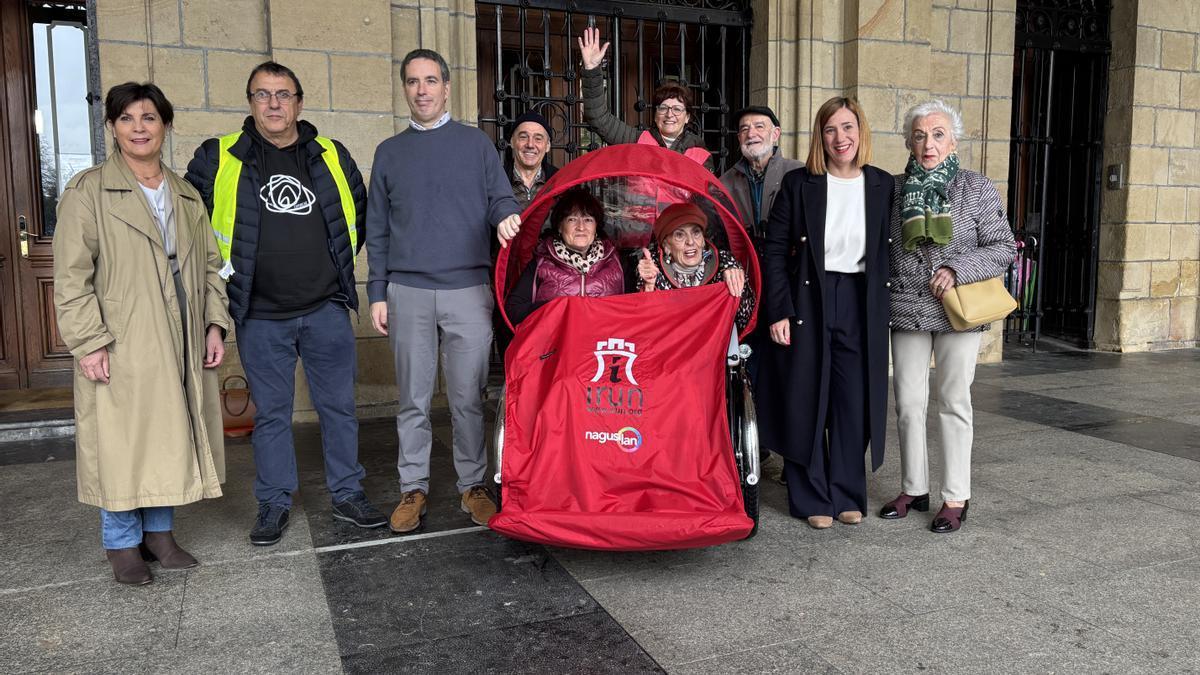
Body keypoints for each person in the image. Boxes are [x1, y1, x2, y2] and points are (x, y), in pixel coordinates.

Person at [185, 62, 385, 547]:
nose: (273, 104)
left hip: (325, 308)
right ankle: (274, 502)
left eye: (283, 94)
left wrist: (329, 270)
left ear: (299, 101)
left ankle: (348, 492)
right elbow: (191, 229)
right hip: (259, 314)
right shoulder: (218, 158)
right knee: (272, 415)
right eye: (262, 94)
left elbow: (356, 216)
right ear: (250, 102)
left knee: (338, 407)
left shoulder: (332, 154)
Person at [53, 82, 231, 585]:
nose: (138, 127)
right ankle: (120, 544)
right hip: (123, 336)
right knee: (122, 440)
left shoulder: (186, 193)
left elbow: (212, 268)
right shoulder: (89, 191)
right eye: (127, 118)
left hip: (181, 331)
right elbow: (71, 276)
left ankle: (159, 534)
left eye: (148, 118)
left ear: (165, 126)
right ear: (111, 127)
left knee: (169, 433)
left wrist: (215, 324)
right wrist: (88, 342)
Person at [367, 48, 522, 533]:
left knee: (468, 397)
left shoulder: (475, 145)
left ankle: (472, 486)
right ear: (405, 89)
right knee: (412, 398)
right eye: (413, 81)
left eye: (431, 80)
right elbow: (377, 228)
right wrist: (377, 291)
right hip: (407, 288)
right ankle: (413, 488)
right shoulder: (389, 152)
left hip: (467, 289)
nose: (422, 90)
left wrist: (505, 216)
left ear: (447, 87)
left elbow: (500, 196)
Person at [880, 99, 1016, 533]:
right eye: (919, 135)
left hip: (958, 310)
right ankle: (914, 488)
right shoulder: (893, 189)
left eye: (938, 135)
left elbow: (1003, 248)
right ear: (908, 141)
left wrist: (957, 269)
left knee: (954, 401)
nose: (928, 144)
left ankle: (955, 496)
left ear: (953, 140)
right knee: (907, 402)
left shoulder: (976, 188)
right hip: (907, 307)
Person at [762, 97, 892, 530]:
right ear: (821, 136)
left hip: (860, 301)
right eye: (831, 129)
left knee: (852, 399)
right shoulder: (801, 184)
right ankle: (811, 495)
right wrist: (778, 310)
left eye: (848, 127)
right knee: (806, 393)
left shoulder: (882, 184)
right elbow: (775, 250)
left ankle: (848, 492)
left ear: (861, 132)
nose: (841, 138)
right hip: (808, 298)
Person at [720, 105, 804, 469]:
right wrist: (727, 264)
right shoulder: (726, 181)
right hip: (746, 283)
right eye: (744, 129)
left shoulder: (798, 172)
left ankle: (794, 451)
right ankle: (758, 443)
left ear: (776, 133)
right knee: (751, 363)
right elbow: (715, 233)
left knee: (791, 363)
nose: (751, 133)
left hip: (787, 278)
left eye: (759, 126)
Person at [578, 26, 713, 171]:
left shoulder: (701, 155)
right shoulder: (636, 139)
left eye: (677, 109)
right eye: (663, 108)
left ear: (687, 117)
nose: (669, 114)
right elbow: (599, 119)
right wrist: (591, 69)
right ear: (655, 116)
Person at [505, 188, 625, 325]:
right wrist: (557, 308)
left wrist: (647, 285)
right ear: (560, 227)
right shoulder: (541, 262)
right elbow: (513, 311)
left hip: (603, 343)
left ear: (596, 227)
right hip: (555, 344)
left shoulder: (615, 261)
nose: (581, 227)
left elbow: (635, 311)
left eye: (588, 219)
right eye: (572, 219)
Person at [636, 202, 754, 331]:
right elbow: (646, 326)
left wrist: (739, 292)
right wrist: (648, 286)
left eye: (696, 232)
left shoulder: (725, 264)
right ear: (666, 245)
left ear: (703, 240)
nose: (691, 241)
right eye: (680, 235)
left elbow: (743, 321)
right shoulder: (652, 268)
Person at [507, 111, 558, 209]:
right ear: (512, 142)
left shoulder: (559, 181)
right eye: (523, 137)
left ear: (547, 146)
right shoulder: (497, 180)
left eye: (538, 138)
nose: (530, 144)